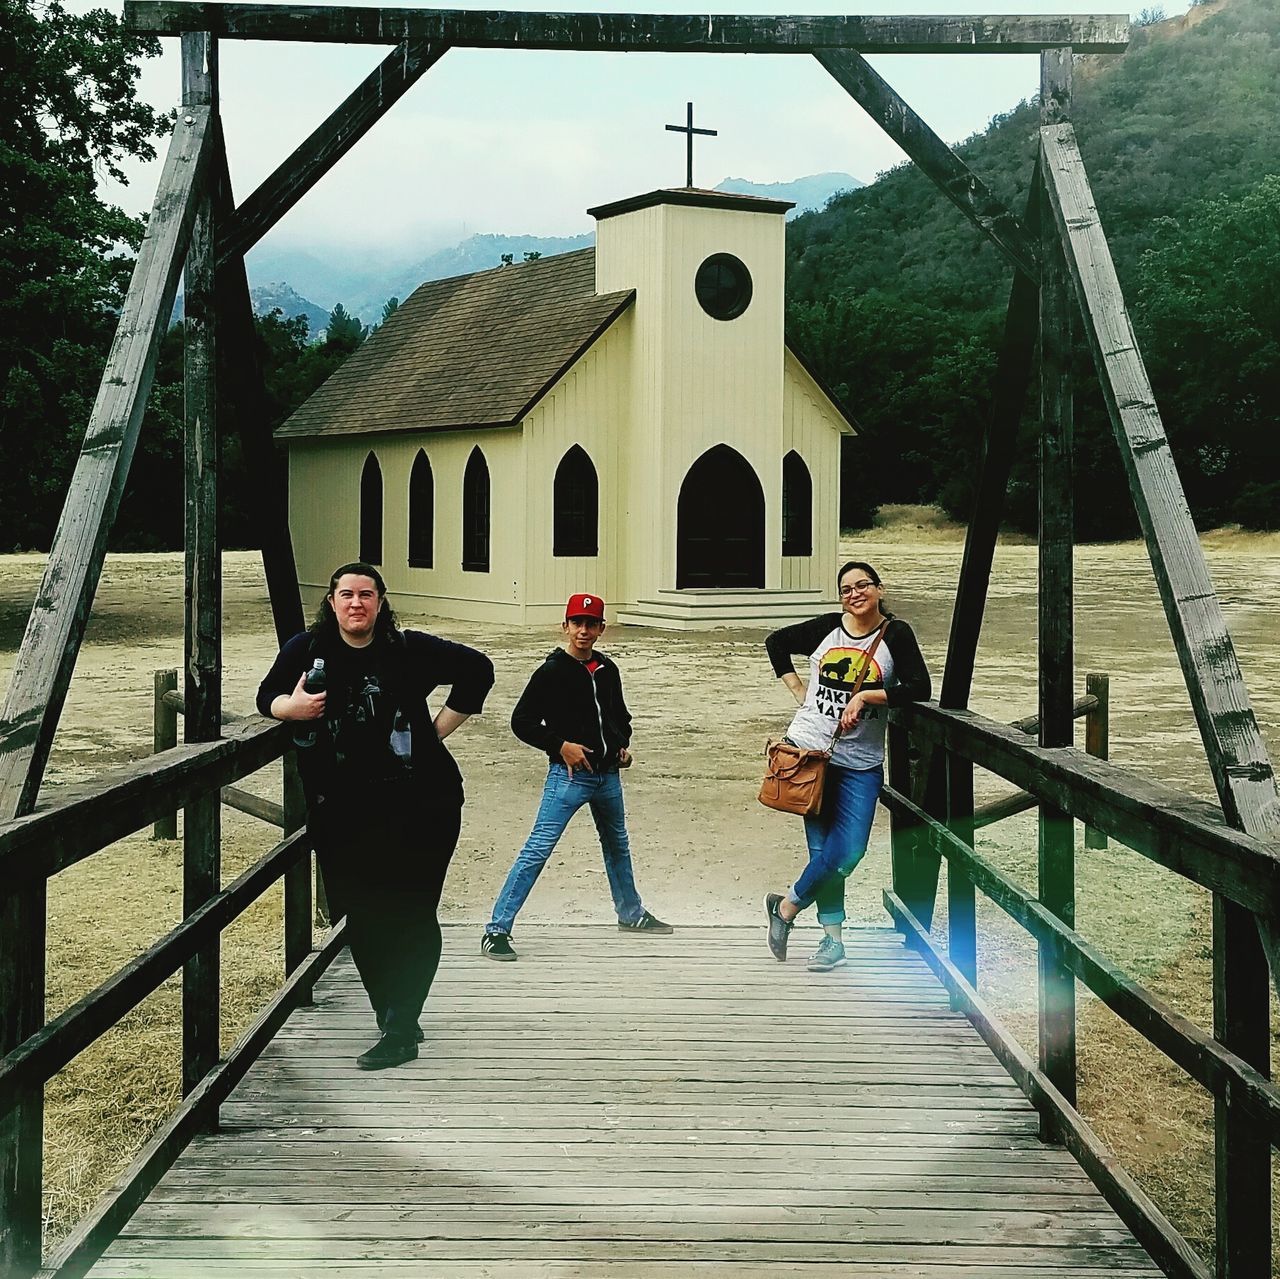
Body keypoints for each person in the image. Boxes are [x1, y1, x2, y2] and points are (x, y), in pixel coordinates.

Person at [257, 562, 494, 1070]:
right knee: (361, 915)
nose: (356, 603)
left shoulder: (407, 649)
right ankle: (395, 1009)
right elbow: (266, 696)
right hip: (343, 811)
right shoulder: (307, 650)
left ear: (381, 601)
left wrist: (435, 731)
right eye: (346, 594)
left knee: (411, 911)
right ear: (332, 601)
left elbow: (479, 669)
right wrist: (289, 709)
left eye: (367, 594)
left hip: (423, 803)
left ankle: (402, 1027)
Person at [481, 592, 671, 960]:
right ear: (565, 626)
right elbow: (521, 722)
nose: (583, 631)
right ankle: (496, 929)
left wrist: (620, 745)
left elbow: (620, 717)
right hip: (568, 777)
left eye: (591, 624)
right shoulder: (551, 672)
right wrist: (559, 746)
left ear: (602, 629)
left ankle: (630, 914)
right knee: (537, 849)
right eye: (577, 623)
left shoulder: (607, 669)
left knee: (617, 845)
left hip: (607, 777)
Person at [763, 560, 930, 971]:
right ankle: (832, 942)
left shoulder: (896, 634)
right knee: (822, 850)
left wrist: (868, 697)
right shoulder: (827, 627)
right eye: (846, 589)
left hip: (860, 761)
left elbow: (919, 687)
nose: (854, 594)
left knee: (849, 849)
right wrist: (800, 691)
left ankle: (785, 907)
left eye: (863, 585)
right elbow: (775, 642)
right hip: (810, 752)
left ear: (878, 588)